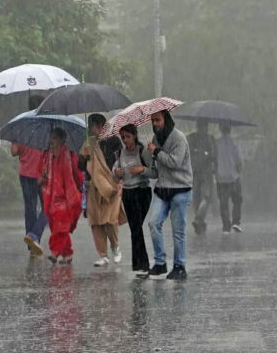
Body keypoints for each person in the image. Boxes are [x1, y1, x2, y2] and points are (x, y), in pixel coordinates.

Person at [146, 110, 193, 280]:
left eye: (157, 120)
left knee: (178, 230)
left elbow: (175, 162)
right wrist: (141, 170)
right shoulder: (155, 139)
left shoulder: (178, 138)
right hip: (162, 189)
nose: (155, 124)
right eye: (152, 120)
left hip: (180, 189)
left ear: (166, 119)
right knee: (153, 223)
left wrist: (157, 152)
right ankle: (160, 263)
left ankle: (179, 266)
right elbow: (155, 170)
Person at [80, 114, 126, 267]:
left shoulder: (114, 141)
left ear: (101, 126)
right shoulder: (88, 144)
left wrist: (120, 178)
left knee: (110, 219)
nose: (93, 129)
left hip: (111, 185)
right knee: (96, 221)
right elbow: (81, 167)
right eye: (91, 126)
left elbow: (121, 161)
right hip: (94, 186)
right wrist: (84, 158)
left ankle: (115, 247)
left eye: (94, 126)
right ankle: (103, 255)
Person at [112, 124, 154, 275]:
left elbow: (153, 172)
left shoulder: (142, 151)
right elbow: (115, 170)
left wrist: (141, 169)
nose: (125, 140)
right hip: (128, 193)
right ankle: (140, 265)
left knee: (136, 227)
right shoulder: (120, 153)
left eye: (128, 137)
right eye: (122, 137)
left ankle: (142, 264)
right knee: (134, 228)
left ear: (135, 136)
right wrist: (116, 172)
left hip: (142, 192)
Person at [40, 128, 83, 264]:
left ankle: (55, 252)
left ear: (62, 140)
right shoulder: (46, 156)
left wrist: (81, 188)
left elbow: (78, 174)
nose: (51, 141)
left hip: (66, 198)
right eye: (51, 138)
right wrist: (43, 177)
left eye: (55, 138)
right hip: (51, 197)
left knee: (61, 227)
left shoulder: (70, 155)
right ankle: (67, 253)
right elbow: (39, 175)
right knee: (56, 226)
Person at [12, 95, 48, 256]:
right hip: (42, 173)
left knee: (30, 208)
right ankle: (35, 235)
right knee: (48, 207)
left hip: (25, 173)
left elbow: (14, 152)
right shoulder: (46, 125)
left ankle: (32, 242)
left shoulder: (21, 125)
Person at [187, 120, 216, 235]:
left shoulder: (191, 138)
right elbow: (214, 156)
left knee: (197, 197)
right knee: (206, 197)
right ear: (206, 127)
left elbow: (187, 155)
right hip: (205, 172)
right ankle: (199, 219)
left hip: (194, 171)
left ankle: (200, 222)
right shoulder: (210, 139)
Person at [215, 123, 243, 233]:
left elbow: (214, 159)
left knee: (223, 203)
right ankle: (236, 222)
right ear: (230, 129)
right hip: (233, 176)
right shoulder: (234, 143)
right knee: (237, 200)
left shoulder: (216, 143)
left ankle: (226, 225)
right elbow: (239, 160)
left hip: (221, 177)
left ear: (220, 129)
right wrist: (239, 171)